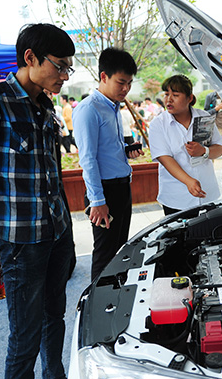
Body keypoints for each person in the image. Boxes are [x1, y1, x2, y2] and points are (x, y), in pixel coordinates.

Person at [0, 23, 76, 379]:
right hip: (19, 239)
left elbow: (51, 171)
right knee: (23, 336)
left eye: (68, 68)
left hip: (57, 230)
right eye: (59, 66)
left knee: (54, 313)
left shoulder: (45, 104)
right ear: (30, 58)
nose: (64, 75)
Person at [73, 47, 142, 281]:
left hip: (122, 188)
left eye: (130, 83)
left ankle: (116, 295)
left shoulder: (113, 106)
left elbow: (106, 149)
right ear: (103, 76)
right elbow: (88, 160)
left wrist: (125, 151)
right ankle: (97, 307)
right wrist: (97, 201)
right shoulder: (88, 109)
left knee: (121, 249)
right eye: (121, 82)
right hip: (105, 192)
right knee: (105, 255)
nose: (126, 89)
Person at [149, 75, 222, 216]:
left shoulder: (204, 118)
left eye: (175, 95)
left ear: (190, 98)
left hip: (207, 194)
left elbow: (219, 149)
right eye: (166, 94)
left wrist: (203, 151)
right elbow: (165, 159)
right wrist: (189, 182)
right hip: (176, 199)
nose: (169, 99)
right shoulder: (158, 124)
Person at [204, 90, 222, 185]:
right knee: (211, 156)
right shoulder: (210, 97)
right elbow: (205, 113)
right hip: (213, 131)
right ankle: (210, 178)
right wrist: (217, 108)